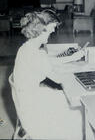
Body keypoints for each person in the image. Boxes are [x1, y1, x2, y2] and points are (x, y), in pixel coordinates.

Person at [12, 10, 85, 139]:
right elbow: (59, 79)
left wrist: (72, 57)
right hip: (32, 110)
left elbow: (48, 62)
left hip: (27, 100)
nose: (53, 32)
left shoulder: (27, 48)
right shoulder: (35, 54)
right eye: (51, 28)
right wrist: (84, 73)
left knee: (63, 98)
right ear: (40, 30)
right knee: (79, 111)